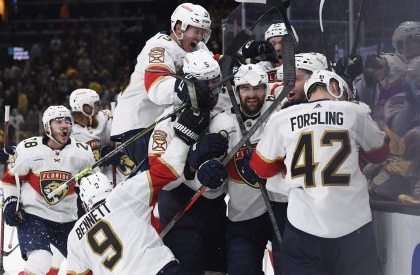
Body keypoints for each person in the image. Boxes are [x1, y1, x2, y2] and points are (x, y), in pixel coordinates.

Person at [249, 70, 390, 275]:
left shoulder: (282, 118)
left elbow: (260, 167)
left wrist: (288, 161)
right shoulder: (354, 112)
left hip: (303, 228)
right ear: (335, 88)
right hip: (354, 226)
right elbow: (381, 153)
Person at [67, 92, 218, 274]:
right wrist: (183, 138)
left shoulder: (75, 235)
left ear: (85, 203)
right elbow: (165, 171)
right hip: (156, 264)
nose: (97, 109)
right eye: (91, 106)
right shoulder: (120, 195)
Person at [110, 2, 214, 170]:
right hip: (139, 124)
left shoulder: (196, 46)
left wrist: (238, 60)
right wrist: (188, 88)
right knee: (156, 180)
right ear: (180, 28)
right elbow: (156, 88)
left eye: (203, 32)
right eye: (196, 31)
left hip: (161, 122)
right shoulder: (158, 47)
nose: (200, 37)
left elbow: (212, 66)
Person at [153, 50, 229, 275]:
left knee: (218, 268)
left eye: (215, 81)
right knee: (188, 267)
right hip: (179, 205)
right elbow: (161, 180)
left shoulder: (225, 112)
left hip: (213, 207)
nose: (213, 88)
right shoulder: (166, 120)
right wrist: (191, 160)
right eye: (206, 83)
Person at [0, 105, 95, 275]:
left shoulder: (82, 152)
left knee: (85, 264)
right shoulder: (29, 149)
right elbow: (10, 180)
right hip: (34, 216)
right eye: (58, 121)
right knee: (40, 261)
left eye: (67, 121)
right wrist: (11, 202)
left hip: (68, 219)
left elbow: (93, 180)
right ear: (46, 127)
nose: (64, 125)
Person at [206, 64, 280, 275]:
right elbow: (213, 186)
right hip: (243, 218)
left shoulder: (278, 115)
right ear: (236, 92)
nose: (252, 94)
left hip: (279, 211)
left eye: (257, 88)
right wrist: (210, 172)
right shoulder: (223, 122)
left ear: (265, 90)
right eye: (245, 88)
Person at [69, 88, 136, 183]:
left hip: (114, 175)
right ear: (84, 107)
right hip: (90, 181)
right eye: (94, 104)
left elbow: (118, 139)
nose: (98, 107)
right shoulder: (69, 130)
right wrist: (103, 153)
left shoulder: (103, 118)